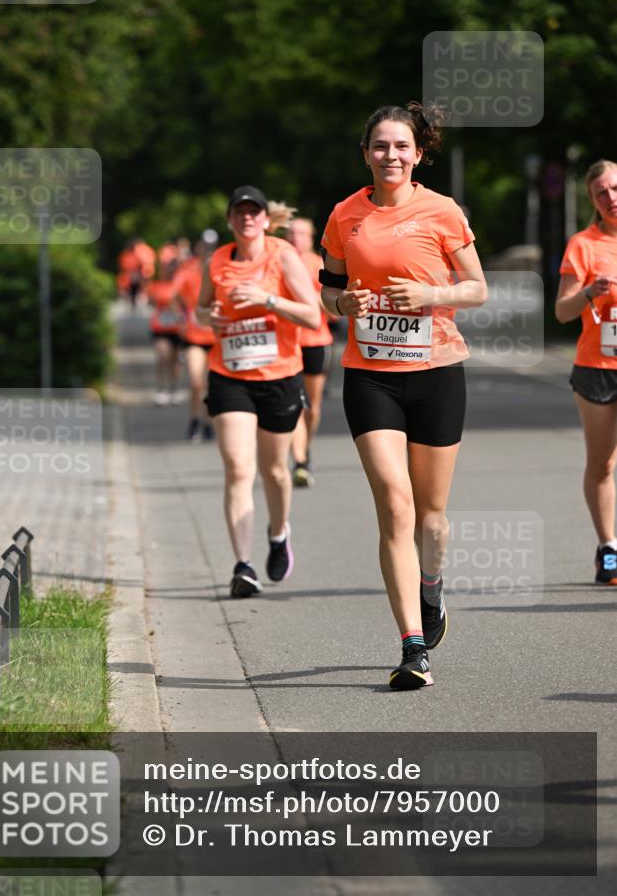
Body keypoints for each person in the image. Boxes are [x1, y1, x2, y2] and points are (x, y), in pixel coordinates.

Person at [319, 103, 487, 691]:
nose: (390, 156)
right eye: (379, 146)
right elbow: (329, 289)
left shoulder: (442, 212)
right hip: (371, 375)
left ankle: (432, 586)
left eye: (401, 147)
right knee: (396, 505)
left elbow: (478, 288)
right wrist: (343, 306)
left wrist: (428, 292)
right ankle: (413, 648)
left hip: (437, 370)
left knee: (431, 518)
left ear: (418, 154)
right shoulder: (345, 215)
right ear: (365, 152)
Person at [196, 185, 320, 598]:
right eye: (239, 212)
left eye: (254, 212)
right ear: (230, 220)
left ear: (266, 219)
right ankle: (242, 566)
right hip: (229, 374)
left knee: (276, 471)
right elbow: (199, 307)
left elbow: (311, 314)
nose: (247, 218)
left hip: (279, 375)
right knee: (237, 466)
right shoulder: (217, 260)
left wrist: (268, 299)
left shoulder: (282, 255)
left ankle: (279, 531)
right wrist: (208, 314)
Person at [555, 159, 617, 586]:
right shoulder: (583, 244)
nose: (611, 197)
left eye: (615, 188)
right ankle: (608, 548)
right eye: (601, 192)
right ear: (592, 201)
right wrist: (588, 292)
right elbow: (562, 311)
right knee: (602, 464)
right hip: (598, 367)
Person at [286, 217, 335, 487]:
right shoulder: (279, 262)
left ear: (311, 237)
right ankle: (300, 459)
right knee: (295, 402)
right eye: (291, 233)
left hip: (316, 341)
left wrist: (310, 299)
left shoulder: (319, 265)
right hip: (287, 343)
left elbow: (334, 310)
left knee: (312, 407)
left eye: (301, 233)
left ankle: (306, 447)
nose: (295, 237)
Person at [168, 230, 219, 441]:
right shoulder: (188, 269)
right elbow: (173, 295)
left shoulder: (222, 267)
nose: (207, 250)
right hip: (193, 337)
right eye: (204, 246)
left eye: (211, 246)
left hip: (217, 337)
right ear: (198, 247)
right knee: (197, 382)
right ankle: (195, 419)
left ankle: (208, 423)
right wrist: (180, 317)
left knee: (211, 384)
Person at [145, 261, 186, 405]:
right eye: (168, 270)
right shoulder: (156, 286)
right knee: (163, 356)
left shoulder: (181, 286)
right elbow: (150, 302)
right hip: (160, 326)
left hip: (177, 328)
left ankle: (174, 389)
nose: (170, 273)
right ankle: (162, 390)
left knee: (175, 361)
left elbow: (189, 304)